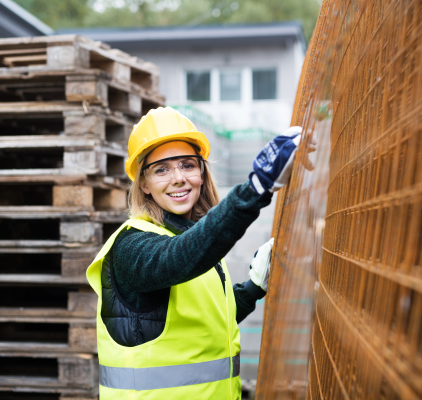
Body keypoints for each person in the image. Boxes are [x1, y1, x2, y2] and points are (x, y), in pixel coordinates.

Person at [86, 107, 302, 399]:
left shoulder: (192, 238)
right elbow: (174, 258)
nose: (178, 178)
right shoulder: (131, 246)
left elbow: (207, 325)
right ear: (144, 184)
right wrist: (256, 188)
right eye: (161, 169)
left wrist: (252, 288)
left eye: (188, 165)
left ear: (202, 173)